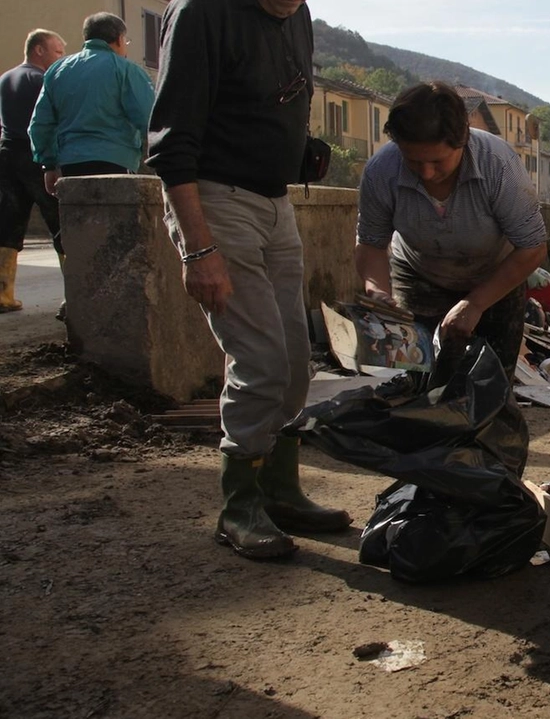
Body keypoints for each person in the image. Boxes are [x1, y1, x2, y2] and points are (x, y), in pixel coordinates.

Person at [147, 0, 351, 561]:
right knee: (259, 359)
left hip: (275, 201)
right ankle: (238, 505)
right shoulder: (201, 12)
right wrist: (199, 247)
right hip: (215, 198)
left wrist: (299, 148)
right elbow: (171, 144)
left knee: (292, 362)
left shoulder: (298, 14)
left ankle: (279, 490)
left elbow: (277, 99)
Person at [354, 81, 548, 377]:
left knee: (489, 384)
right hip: (418, 276)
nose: (427, 173)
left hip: (496, 278)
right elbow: (370, 243)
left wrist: (475, 303)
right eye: (414, 161)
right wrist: (378, 291)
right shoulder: (382, 170)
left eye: (437, 161)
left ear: (463, 140)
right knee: (415, 380)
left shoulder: (499, 164)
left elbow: (532, 248)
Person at [29, 13, 156, 192]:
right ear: (119, 39)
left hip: (70, 164)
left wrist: (48, 166)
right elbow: (149, 119)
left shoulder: (57, 70)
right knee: (116, 218)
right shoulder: (127, 70)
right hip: (117, 161)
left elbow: (40, 124)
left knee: (77, 218)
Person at [0, 29, 65, 313]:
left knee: (7, 223)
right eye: (58, 51)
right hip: (35, 156)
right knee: (59, 221)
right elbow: (51, 121)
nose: (61, 57)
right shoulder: (42, 79)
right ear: (39, 50)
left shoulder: (4, 79)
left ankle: (3, 294)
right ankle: (76, 293)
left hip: (6, 155)